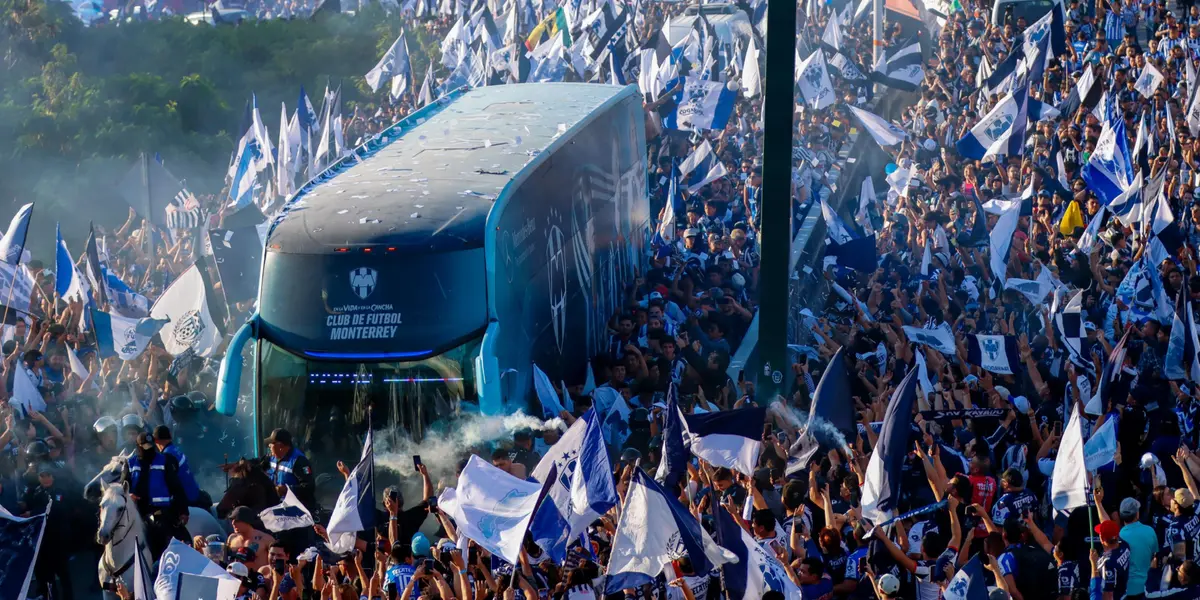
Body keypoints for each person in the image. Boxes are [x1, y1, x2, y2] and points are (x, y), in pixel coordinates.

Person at [120, 431, 189, 558]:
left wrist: (183, 510)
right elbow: (122, 488)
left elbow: (176, 487)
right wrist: (129, 496)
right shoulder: (130, 463)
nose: (149, 450)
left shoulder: (165, 461)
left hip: (161, 512)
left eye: (151, 446)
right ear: (139, 447)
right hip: (136, 512)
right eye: (146, 447)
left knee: (171, 539)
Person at [153, 424, 211, 509]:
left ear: (156, 441)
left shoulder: (167, 456)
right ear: (171, 437)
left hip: (188, 500)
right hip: (195, 493)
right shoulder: (176, 449)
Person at [262, 428, 316, 511]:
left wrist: (286, 490)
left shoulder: (299, 461)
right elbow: (257, 464)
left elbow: (309, 487)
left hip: (295, 510)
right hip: (276, 505)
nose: (269, 446)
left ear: (280, 446)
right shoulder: (271, 457)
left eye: (271, 443)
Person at [1118, 497, 1158, 599]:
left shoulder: (1119, 536)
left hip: (1126, 591)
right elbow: (1155, 558)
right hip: (1147, 588)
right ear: (1137, 514)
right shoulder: (1150, 531)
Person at [1096, 521, 1133, 600]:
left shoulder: (1107, 563)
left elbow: (1109, 594)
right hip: (1126, 592)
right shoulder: (1124, 545)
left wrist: (1094, 564)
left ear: (1102, 539)